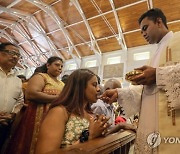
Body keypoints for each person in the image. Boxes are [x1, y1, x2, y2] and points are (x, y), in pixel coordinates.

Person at [101, 8, 180, 154]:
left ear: (158, 21)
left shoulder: (178, 40)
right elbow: (149, 92)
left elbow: (159, 79)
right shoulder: (155, 55)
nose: (143, 33)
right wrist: (119, 93)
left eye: (145, 28)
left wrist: (158, 75)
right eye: (141, 31)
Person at [35, 69, 110, 154]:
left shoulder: (90, 114)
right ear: (80, 87)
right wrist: (90, 136)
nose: (98, 89)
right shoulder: (59, 112)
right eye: (94, 85)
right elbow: (45, 152)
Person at [5, 56, 65, 154]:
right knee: (33, 142)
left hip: (55, 119)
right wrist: (58, 98)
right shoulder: (41, 77)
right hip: (37, 116)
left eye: (61, 66)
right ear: (48, 65)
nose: (60, 68)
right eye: (57, 65)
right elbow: (32, 94)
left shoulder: (62, 83)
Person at [0, 42, 24, 151]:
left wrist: (13, 115)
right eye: (11, 52)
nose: (15, 56)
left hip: (4, 125)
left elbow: (19, 101)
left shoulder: (17, 80)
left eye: (17, 55)